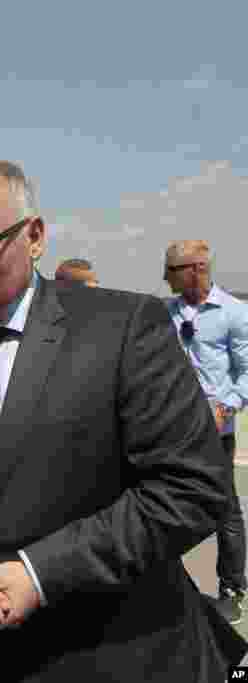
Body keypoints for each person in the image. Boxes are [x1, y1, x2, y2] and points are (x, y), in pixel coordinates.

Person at [0, 157, 244, 682]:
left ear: (35, 236)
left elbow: (191, 488)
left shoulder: (125, 329)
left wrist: (41, 574)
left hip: (121, 659)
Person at [164, 239, 248, 623]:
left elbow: (246, 372)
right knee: (160, 503)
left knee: (224, 510)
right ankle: (166, 591)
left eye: (172, 270)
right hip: (171, 428)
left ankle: (232, 588)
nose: (165, 278)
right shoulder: (166, 313)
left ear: (197, 268)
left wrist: (225, 406)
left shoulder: (234, 313)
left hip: (214, 431)